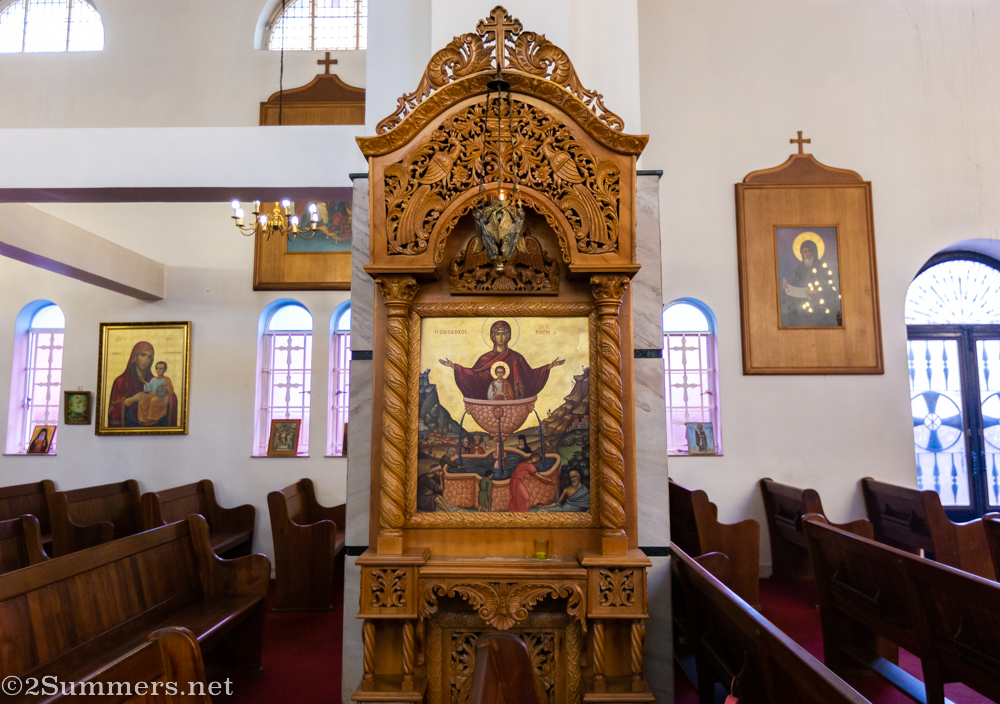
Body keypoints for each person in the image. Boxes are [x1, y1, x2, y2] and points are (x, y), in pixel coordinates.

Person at [439, 320, 564, 400]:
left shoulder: (516, 358)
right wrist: (455, 367)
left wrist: (549, 367)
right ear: (493, 336)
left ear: (508, 336)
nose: (500, 337)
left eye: (503, 334)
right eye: (498, 334)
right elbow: (474, 376)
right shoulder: (485, 359)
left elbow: (530, 375)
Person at [108, 341, 178, 428]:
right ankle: (143, 418)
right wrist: (131, 400)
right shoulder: (121, 381)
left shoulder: (154, 379)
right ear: (135, 357)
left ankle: (150, 417)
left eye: (149, 357)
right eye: (143, 355)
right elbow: (111, 414)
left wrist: (168, 397)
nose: (146, 360)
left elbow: (171, 394)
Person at [780, 238, 841, 327]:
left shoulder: (821, 268)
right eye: (804, 252)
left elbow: (830, 289)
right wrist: (787, 288)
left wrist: (817, 292)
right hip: (803, 313)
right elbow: (794, 288)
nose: (806, 254)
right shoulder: (800, 270)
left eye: (808, 251)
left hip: (820, 312)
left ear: (813, 252)